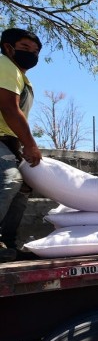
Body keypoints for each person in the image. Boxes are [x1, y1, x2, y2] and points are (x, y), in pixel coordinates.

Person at [0, 28, 43, 262]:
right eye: (25, 48)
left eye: (35, 51)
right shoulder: (5, 65)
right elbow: (9, 108)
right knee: (9, 179)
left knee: (24, 186)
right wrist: (30, 145)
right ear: (8, 47)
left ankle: (8, 243)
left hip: (8, 140)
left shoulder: (20, 75)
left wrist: (22, 144)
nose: (32, 54)